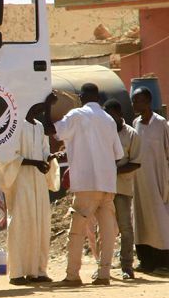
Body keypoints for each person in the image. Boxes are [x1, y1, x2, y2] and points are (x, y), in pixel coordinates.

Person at [43, 84, 124, 286]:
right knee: (107, 232)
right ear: (98, 97)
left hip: (86, 183)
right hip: (107, 184)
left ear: (81, 97)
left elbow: (52, 130)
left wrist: (46, 107)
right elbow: (118, 154)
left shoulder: (76, 115)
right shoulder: (108, 119)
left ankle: (72, 275)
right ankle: (104, 274)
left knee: (77, 231)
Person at [0, 103, 55, 285]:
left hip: (38, 182)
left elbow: (44, 152)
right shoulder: (14, 125)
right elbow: (7, 157)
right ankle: (17, 272)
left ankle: (37, 270)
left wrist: (50, 158)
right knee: (21, 224)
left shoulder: (39, 127)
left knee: (39, 223)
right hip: (20, 181)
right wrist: (33, 162)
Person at [130, 87, 169, 275]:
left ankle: (164, 262)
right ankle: (146, 260)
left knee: (160, 219)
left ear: (148, 101)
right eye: (133, 101)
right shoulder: (135, 123)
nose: (134, 104)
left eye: (137, 100)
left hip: (158, 179)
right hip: (139, 181)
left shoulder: (161, 124)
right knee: (142, 219)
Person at [106, 99, 142, 279]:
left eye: (112, 116)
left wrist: (114, 170)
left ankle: (127, 266)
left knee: (125, 227)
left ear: (119, 114)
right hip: (104, 187)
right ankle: (103, 265)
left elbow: (135, 162)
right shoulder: (103, 132)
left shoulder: (131, 134)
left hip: (122, 187)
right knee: (104, 228)